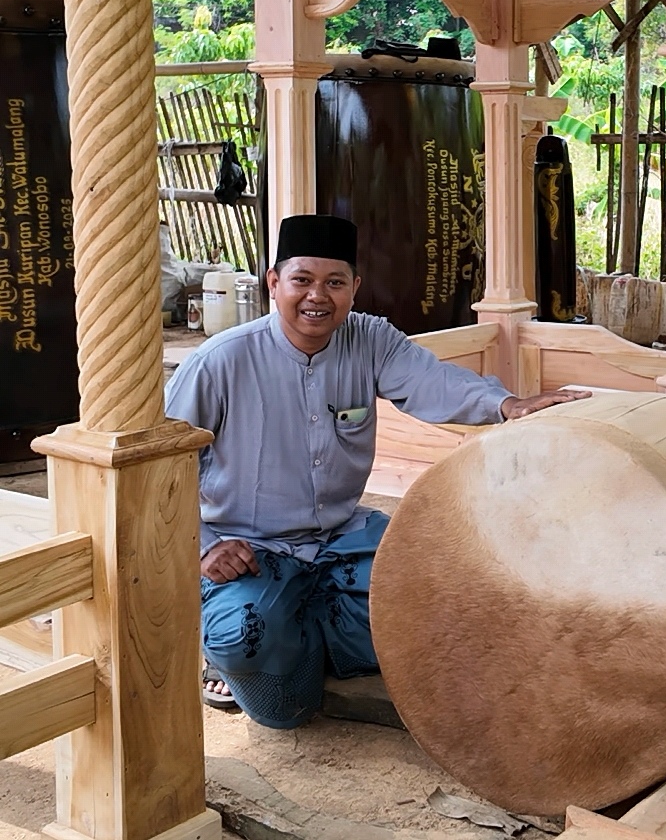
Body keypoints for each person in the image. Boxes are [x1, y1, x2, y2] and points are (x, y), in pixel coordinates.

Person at [165, 214, 587, 728]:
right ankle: (239, 651)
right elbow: (164, 467)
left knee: (453, 589)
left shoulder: (371, 340)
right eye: (302, 280)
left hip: (342, 538)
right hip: (249, 548)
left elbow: (435, 383)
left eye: (334, 283)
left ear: (354, 288)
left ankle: (303, 630)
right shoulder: (218, 362)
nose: (317, 296)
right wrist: (204, 542)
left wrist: (507, 405)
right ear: (274, 282)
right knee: (256, 659)